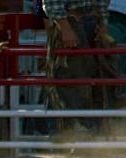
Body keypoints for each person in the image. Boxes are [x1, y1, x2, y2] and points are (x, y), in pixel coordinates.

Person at [42, 0, 112, 139]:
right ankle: (69, 132)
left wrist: (103, 23)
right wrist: (64, 26)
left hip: (88, 20)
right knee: (70, 78)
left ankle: (86, 132)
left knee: (93, 77)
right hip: (71, 20)